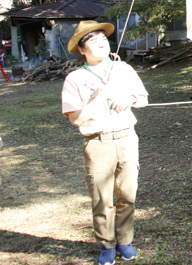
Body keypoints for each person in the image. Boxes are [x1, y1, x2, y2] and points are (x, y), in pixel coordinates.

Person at [61, 20, 148, 265]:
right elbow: (76, 119)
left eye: (103, 39)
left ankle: (125, 241)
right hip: (97, 143)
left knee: (127, 194)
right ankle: (107, 245)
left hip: (127, 139)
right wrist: (99, 97)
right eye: (93, 41)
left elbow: (143, 99)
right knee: (102, 198)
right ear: (81, 49)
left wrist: (129, 99)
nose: (101, 43)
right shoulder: (75, 79)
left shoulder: (124, 69)